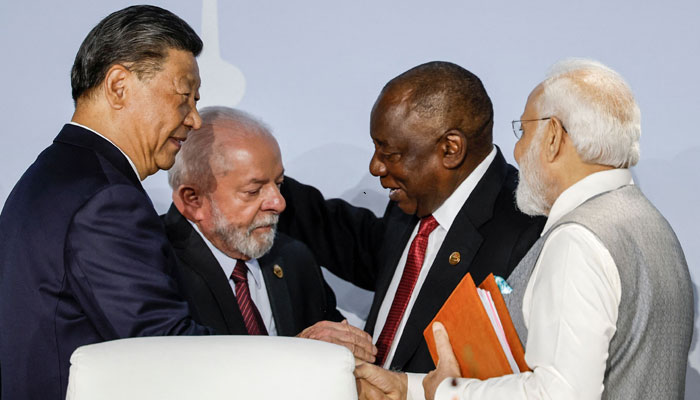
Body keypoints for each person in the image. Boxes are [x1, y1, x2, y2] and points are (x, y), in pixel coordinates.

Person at [355, 59, 694, 400]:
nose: (516, 152)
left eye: (524, 131)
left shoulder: (577, 240)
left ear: (553, 137)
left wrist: (447, 393)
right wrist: (408, 387)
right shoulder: (655, 228)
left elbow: (558, 394)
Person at [278, 61, 545, 396]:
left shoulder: (531, 231)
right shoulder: (416, 201)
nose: (375, 166)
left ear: (450, 149)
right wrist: (259, 183)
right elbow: (350, 239)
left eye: (389, 154)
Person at [0, 6, 214, 399]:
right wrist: (289, 362)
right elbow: (167, 351)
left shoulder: (50, 175)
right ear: (119, 85)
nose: (194, 120)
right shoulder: (107, 199)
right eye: (185, 98)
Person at [163, 106, 376, 361]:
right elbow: (173, 372)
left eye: (279, 184)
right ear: (193, 199)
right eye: (253, 191)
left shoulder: (295, 259)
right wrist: (292, 354)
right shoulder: (151, 266)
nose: (279, 203)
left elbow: (339, 356)